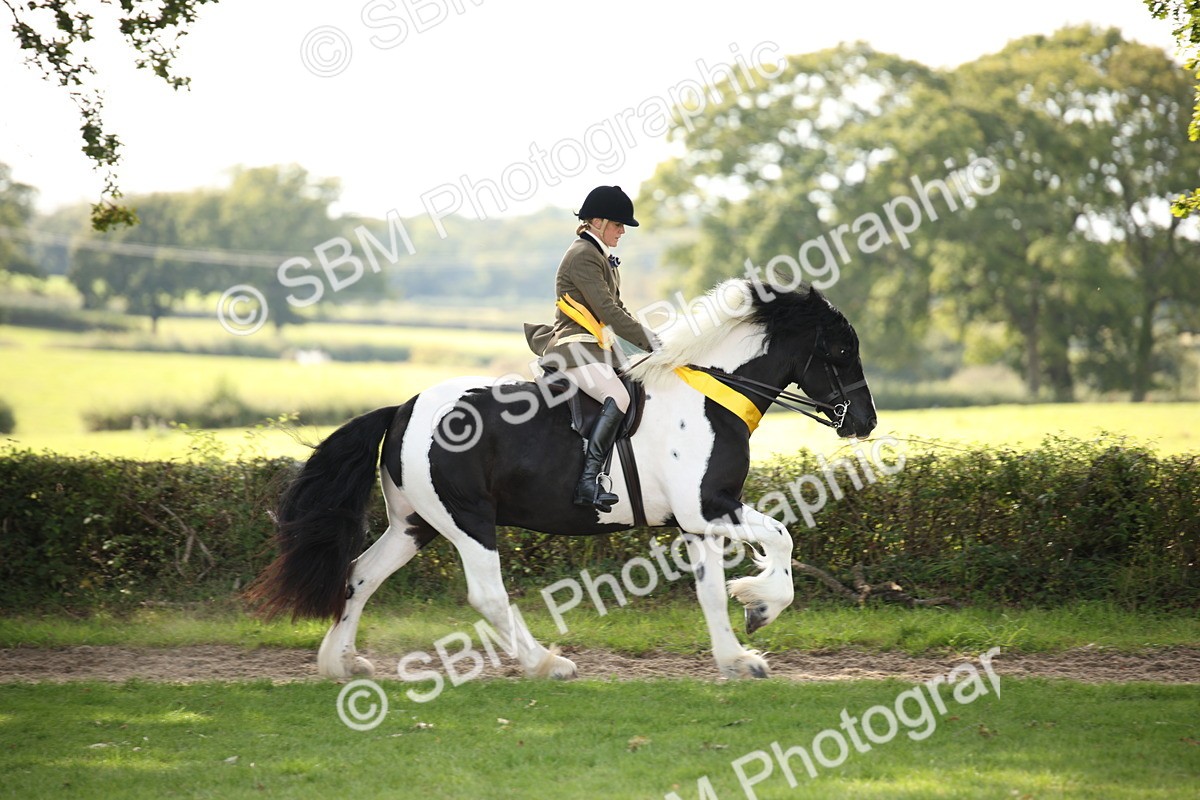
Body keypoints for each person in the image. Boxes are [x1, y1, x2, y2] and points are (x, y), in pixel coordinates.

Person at [524, 185, 658, 511]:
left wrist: (652, 343)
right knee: (619, 397)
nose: (622, 231)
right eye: (617, 224)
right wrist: (652, 343)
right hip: (576, 347)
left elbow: (619, 308)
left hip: (598, 348)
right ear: (596, 222)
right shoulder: (583, 255)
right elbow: (608, 314)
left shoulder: (598, 256)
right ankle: (588, 481)